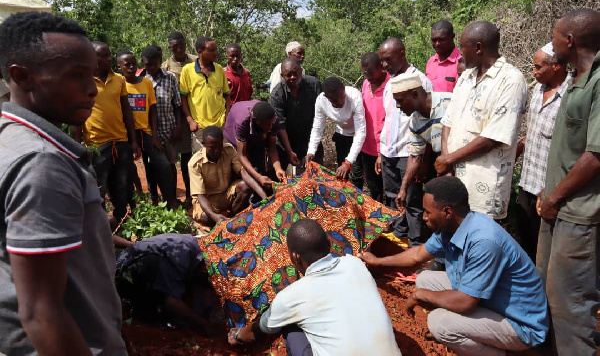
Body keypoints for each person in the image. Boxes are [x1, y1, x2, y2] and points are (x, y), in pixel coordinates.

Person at [0, 11, 126, 354]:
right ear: (21, 76)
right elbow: (41, 313)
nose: (92, 90)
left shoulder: (12, 138)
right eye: (76, 76)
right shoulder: (42, 163)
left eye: (93, 75)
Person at [359, 176, 549, 356]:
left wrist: (422, 295)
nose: (424, 217)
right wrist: (377, 261)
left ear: (447, 212)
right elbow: (417, 255)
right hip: (490, 301)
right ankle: (474, 332)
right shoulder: (451, 228)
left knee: (439, 322)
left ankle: (504, 353)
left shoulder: (484, 241)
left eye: (427, 212)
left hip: (520, 323)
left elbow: (465, 303)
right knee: (425, 279)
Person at [228, 219, 402, 356]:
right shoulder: (355, 263)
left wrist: (237, 336)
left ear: (295, 258)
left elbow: (258, 331)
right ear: (329, 243)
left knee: (290, 325)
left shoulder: (290, 297)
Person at [537, 8, 600, 356]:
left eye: (556, 35)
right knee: (548, 289)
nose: (553, 41)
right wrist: (550, 193)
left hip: (578, 213)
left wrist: (555, 196)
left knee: (571, 301)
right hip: (557, 206)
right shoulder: (575, 80)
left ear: (570, 41)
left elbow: (595, 155)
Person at [436, 21, 527, 220]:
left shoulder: (511, 80)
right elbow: (448, 120)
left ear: (478, 48)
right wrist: (446, 163)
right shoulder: (466, 76)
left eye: (462, 47)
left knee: (479, 244)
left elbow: (493, 137)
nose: (460, 54)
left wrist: (449, 159)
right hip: (455, 183)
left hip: (483, 190)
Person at [72, 41, 139, 225]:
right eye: (105, 55)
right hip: (98, 145)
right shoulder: (83, 81)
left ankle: (121, 220)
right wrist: (76, 145)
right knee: (99, 187)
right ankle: (101, 225)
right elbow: (77, 116)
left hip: (121, 141)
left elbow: (127, 111)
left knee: (123, 183)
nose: (110, 59)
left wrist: (133, 141)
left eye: (110, 55)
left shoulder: (118, 79)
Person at [514, 43, 569, 261]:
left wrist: (552, 189)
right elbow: (533, 133)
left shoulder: (570, 95)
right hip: (527, 181)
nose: (534, 72)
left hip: (548, 189)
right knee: (526, 241)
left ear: (556, 66)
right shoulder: (538, 89)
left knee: (546, 249)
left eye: (538, 67)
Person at [377, 37, 433, 246]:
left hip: (409, 152)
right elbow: (388, 118)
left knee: (412, 200)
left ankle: (416, 242)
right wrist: (380, 150)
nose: (384, 65)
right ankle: (400, 233)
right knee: (393, 195)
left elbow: (429, 121)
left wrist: (424, 159)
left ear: (402, 54)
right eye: (382, 61)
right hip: (389, 150)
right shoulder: (388, 83)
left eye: (388, 60)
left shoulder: (420, 80)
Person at [115, 233, 217, 332]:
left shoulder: (197, 245)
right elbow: (171, 302)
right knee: (174, 318)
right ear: (203, 270)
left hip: (138, 258)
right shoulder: (179, 258)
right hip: (125, 272)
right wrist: (204, 325)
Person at [117, 50, 176, 209]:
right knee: (129, 169)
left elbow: (153, 110)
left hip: (146, 133)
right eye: (126, 64)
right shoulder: (119, 84)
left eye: (133, 63)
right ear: (119, 66)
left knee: (163, 165)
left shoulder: (146, 83)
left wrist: (155, 135)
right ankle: (135, 203)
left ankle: (170, 202)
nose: (130, 66)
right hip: (127, 135)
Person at [391, 73, 452, 212]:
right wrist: (403, 189)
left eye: (400, 100)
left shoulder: (450, 102)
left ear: (414, 94)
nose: (398, 106)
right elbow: (415, 156)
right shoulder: (415, 122)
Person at [188, 126, 261, 227]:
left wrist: (263, 195)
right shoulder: (195, 163)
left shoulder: (229, 150)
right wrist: (214, 216)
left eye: (219, 146)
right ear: (203, 144)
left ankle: (233, 218)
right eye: (212, 148)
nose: (217, 150)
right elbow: (200, 196)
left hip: (225, 194)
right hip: (207, 200)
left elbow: (243, 173)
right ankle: (223, 221)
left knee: (246, 186)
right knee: (207, 217)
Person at [140, 45, 183, 205]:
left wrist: (178, 127)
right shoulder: (141, 80)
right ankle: (154, 199)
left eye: (153, 64)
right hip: (149, 134)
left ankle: (171, 197)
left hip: (169, 130)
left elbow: (177, 104)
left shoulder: (170, 77)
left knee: (171, 165)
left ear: (160, 61)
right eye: (147, 64)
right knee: (151, 167)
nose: (150, 67)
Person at [305, 77, 366, 181]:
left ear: (344, 90)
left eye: (341, 96)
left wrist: (348, 162)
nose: (340, 101)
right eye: (334, 100)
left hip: (358, 136)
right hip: (341, 135)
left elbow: (360, 132)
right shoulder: (321, 101)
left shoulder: (354, 96)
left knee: (356, 174)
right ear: (327, 98)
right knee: (342, 174)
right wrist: (311, 151)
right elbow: (317, 128)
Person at [163, 31, 198, 207]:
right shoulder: (166, 67)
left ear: (185, 44)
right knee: (172, 157)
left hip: (193, 115)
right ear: (169, 47)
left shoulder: (195, 61)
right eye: (174, 47)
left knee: (188, 157)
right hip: (172, 118)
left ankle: (193, 194)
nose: (178, 49)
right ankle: (171, 196)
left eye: (180, 45)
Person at [270, 58, 323, 168]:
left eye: (296, 73)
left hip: (311, 138)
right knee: (287, 180)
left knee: (315, 178)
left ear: (301, 71)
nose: (293, 77)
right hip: (287, 142)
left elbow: (320, 118)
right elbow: (280, 126)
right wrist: (289, 151)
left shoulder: (314, 85)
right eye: (288, 75)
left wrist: (311, 150)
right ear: (282, 76)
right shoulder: (277, 94)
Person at [180, 36, 230, 153]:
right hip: (200, 127)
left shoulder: (219, 70)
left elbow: (226, 95)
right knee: (202, 161)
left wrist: (227, 116)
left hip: (221, 125)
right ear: (200, 52)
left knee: (224, 159)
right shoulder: (187, 70)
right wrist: (190, 120)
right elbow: (183, 97)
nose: (215, 53)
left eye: (215, 50)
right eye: (211, 50)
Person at [223, 100, 286, 194]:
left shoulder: (273, 119)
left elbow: (271, 147)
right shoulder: (242, 122)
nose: (270, 128)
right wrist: (258, 177)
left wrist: (278, 169)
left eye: (271, 124)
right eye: (267, 125)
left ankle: (260, 196)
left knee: (258, 167)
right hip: (235, 139)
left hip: (256, 137)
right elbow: (242, 155)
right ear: (256, 121)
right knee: (244, 174)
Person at [356, 52, 389, 202]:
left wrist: (382, 152)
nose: (367, 76)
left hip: (386, 148)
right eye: (365, 73)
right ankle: (378, 221)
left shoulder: (391, 84)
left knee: (390, 188)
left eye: (371, 72)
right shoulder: (365, 84)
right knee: (374, 188)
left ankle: (393, 222)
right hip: (367, 147)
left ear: (380, 66)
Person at [426, 20, 462, 93]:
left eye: (442, 40)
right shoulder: (431, 62)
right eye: (434, 40)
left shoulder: (462, 62)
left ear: (452, 37)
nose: (437, 44)